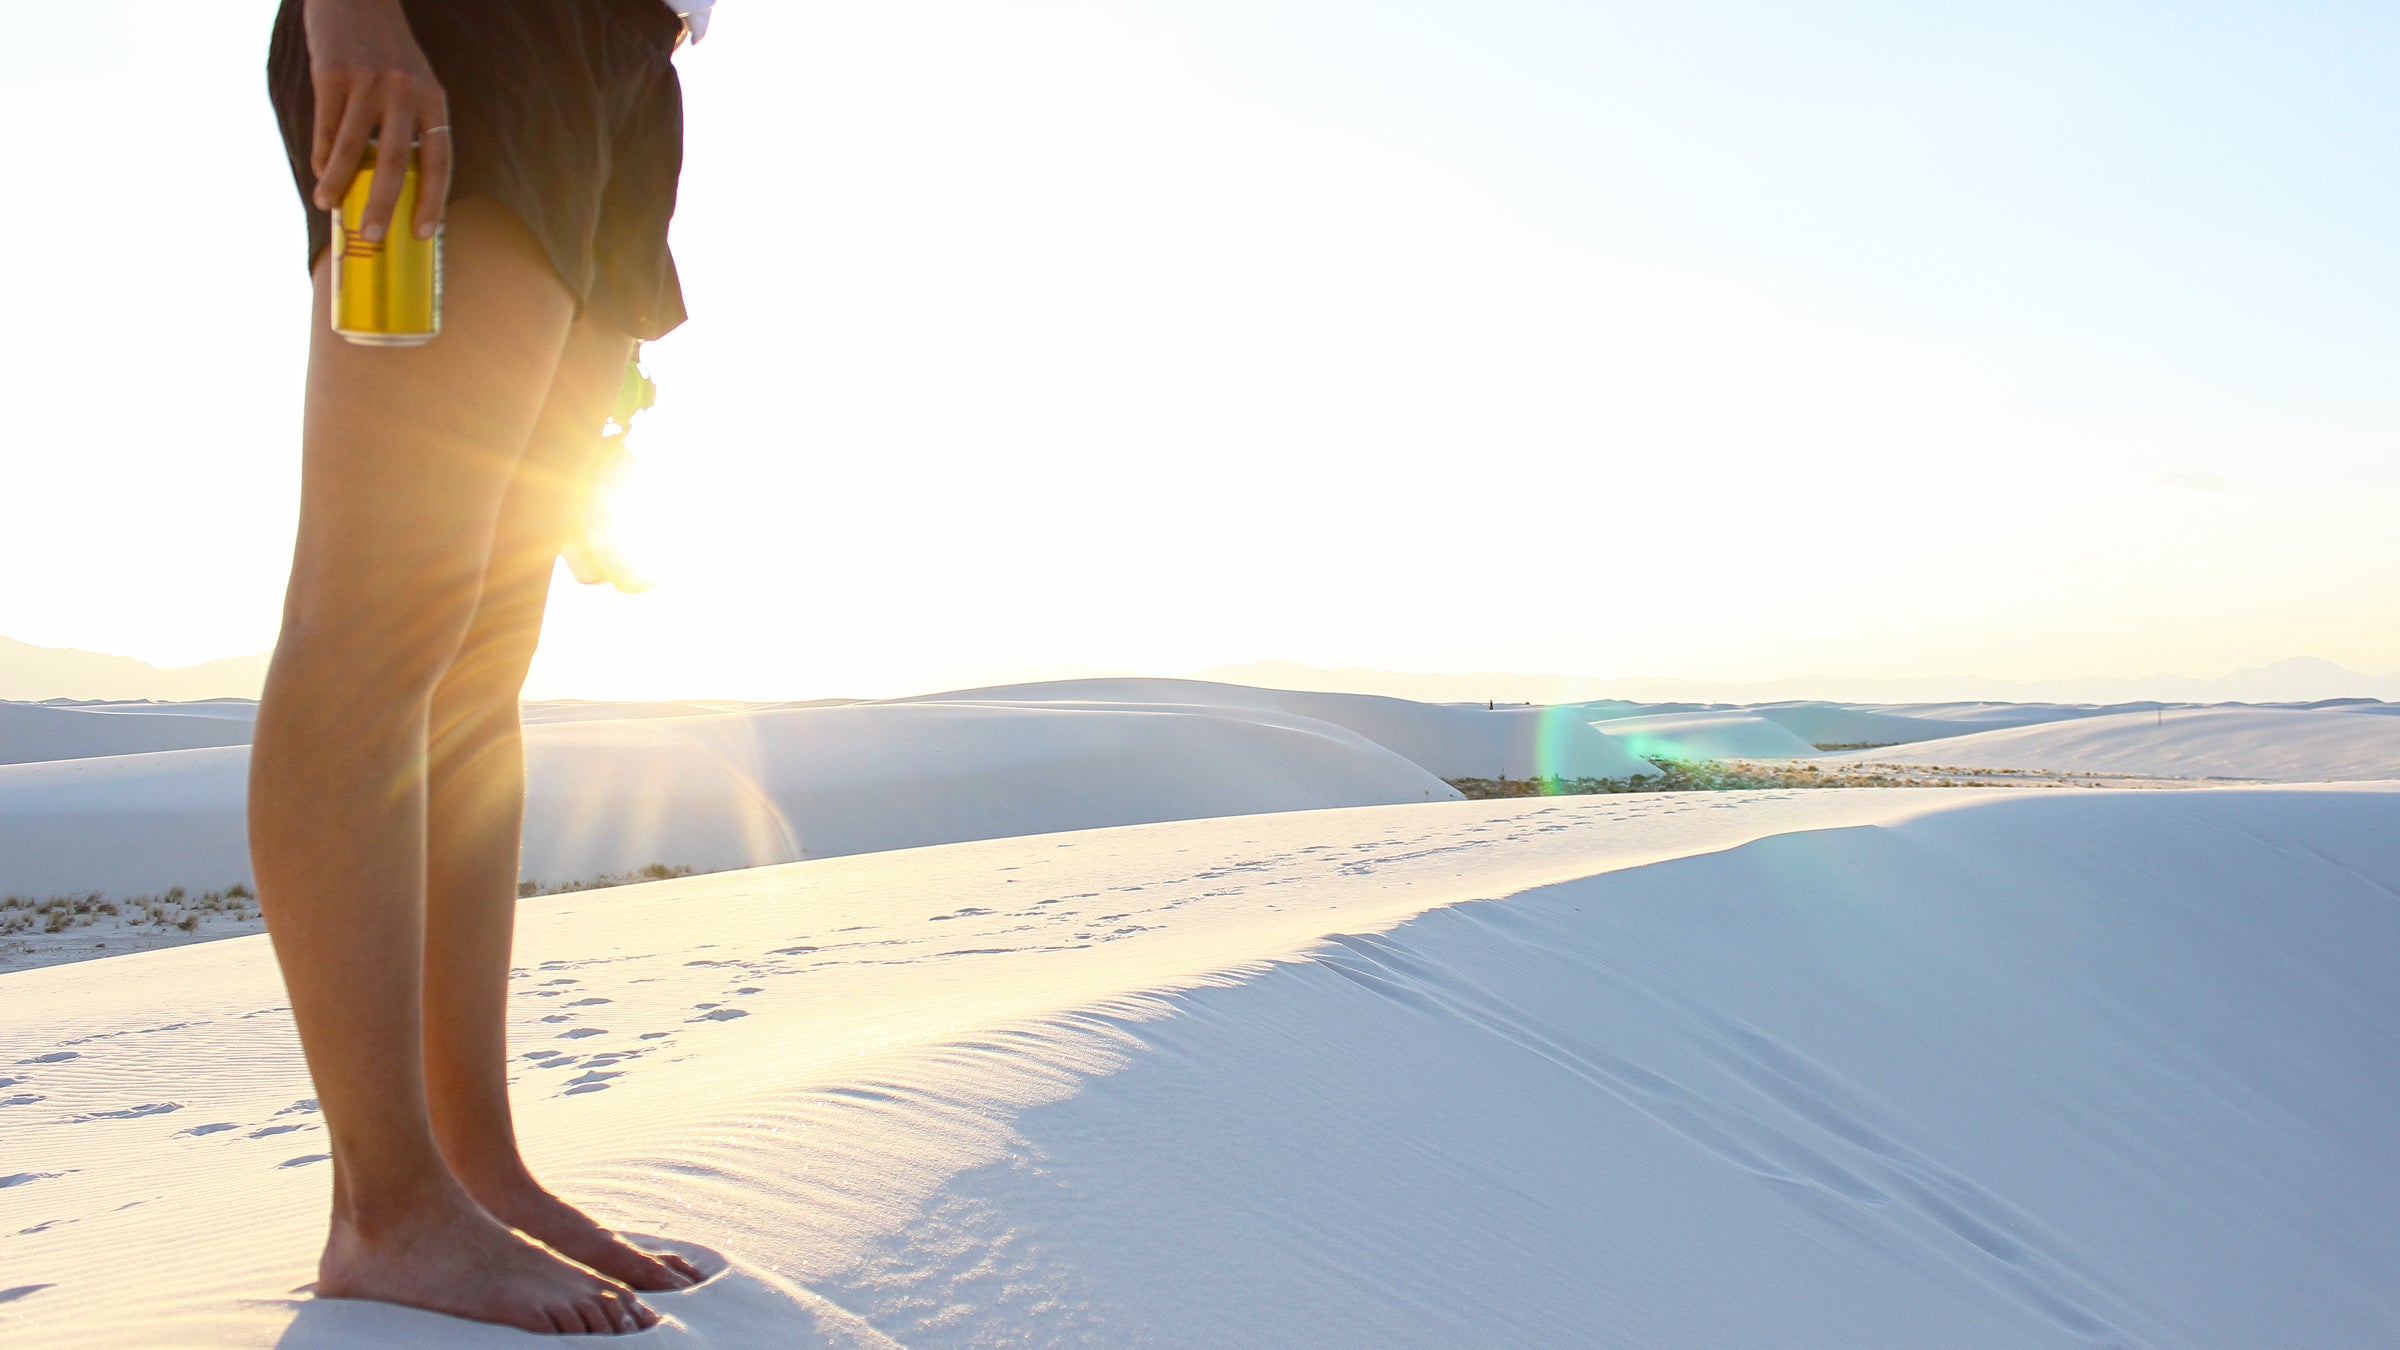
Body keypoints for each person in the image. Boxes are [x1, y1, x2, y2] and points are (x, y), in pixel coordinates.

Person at [250, 0, 712, 1334]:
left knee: (482, 656)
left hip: (621, 61)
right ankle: (385, 1204)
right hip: (465, 32)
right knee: (385, 614)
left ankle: (476, 1164)